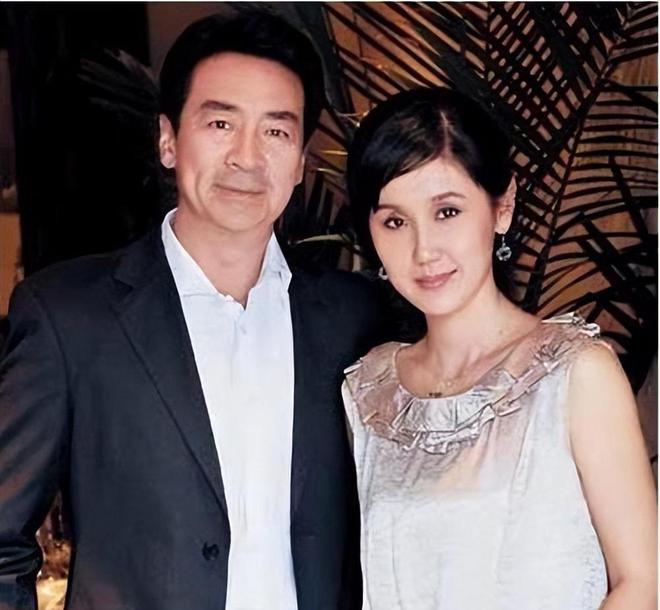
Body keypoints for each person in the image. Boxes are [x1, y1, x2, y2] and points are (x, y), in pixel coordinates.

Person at [0, 13, 386, 610]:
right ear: (168, 140)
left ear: (300, 161)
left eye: (276, 131)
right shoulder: (68, 317)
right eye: (221, 123)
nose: (247, 157)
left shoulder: (355, 318)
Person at [342, 87, 657, 610]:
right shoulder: (368, 394)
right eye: (395, 221)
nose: (423, 250)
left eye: (447, 211)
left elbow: (641, 582)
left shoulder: (575, 372)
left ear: (502, 206)